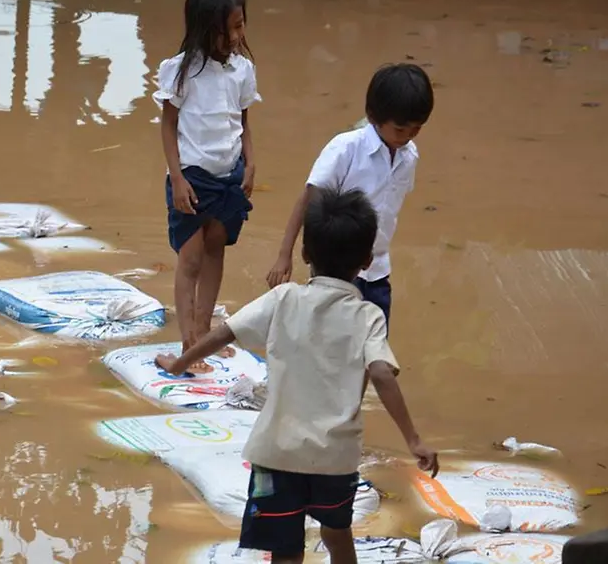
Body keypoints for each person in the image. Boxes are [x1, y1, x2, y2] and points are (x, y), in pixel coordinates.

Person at [157, 187, 438, 564]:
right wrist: (414, 440)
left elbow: (222, 335)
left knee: (285, 550)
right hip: (335, 458)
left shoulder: (283, 298)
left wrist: (178, 364)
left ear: (305, 253)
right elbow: (383, 373)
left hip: (278, 454)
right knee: (337, 536)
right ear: (367, 260)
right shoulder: (368, 315)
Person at [266, 63, 434, 329]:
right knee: (330, 342)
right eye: (401, 129)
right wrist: (284, 254)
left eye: (417, 129)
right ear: (374, 116)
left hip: (377, 268)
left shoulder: (409, 157)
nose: (409, 137)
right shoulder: (344, 149)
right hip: (336, 269)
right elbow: (308, 199)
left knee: (372, 345)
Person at [154, 0, 261, 367]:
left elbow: (243, 121)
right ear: (204, 30)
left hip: (228, 177)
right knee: (192, 258)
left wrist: (250, 162)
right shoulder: (180, 71)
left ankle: (203, 336)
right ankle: (188, 342)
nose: (236, 35)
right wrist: (177, 178)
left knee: (216, 249)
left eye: (240, 25)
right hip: (193, 177)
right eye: (227, 29)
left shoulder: (242, 71)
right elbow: (168, 126)